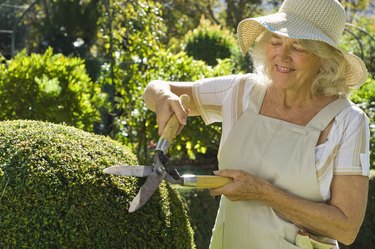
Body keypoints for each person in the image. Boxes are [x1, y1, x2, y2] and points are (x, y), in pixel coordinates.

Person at [142, 0, 370, 248]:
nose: (282, 56)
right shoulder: (240, 91)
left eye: (299, 47)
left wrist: (264, 193)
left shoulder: (347, 121)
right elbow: (155, 90)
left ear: (324, 60)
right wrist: (164, 98)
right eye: (276, 42)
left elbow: (346, 228)